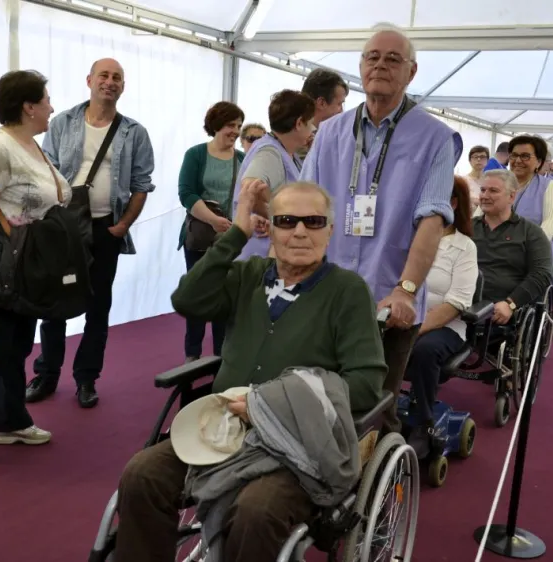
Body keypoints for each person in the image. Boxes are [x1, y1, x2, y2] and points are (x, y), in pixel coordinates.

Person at [113, 181, 387, 561]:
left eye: (313, 221)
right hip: (220, 426)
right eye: (286, 221)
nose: (300, 231)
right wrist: (237, 232)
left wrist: (271, 404)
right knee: (142, 475)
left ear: (329, 230)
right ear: (270, 229)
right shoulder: (248, 276)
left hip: (294, 445)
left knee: (256, 512)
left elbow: (366, 384)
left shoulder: (348, 291)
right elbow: (187, 300)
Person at [300, 23, 462, 434]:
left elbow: (432, 219)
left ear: (411, 71)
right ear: (360, 67)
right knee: (310, 399)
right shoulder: (330, 133)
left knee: (374, 410)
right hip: (326, 295)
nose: (380, 66)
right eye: (372, 57)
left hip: (389, 304)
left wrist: (405, 289)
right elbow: (306, 207)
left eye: (393, 59)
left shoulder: (436, 138)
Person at [27, 58, 156, 408]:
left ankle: (86, 379)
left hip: (105, 229)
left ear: (123, 86)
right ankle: (47, 373)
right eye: (104, 75)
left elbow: (142, 183)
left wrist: (123, 225)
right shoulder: (63, 122)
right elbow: (45, 170)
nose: (110, 82)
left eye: (117, 77)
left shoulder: (134, 132)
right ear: (89, 80)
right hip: (64, 228)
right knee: (54, 301)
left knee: (98, 307)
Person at [0, 70, 65, 464]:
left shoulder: (31, 146)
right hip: (3, 263)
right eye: (46, 100)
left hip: (28, 266)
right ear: (28, 106)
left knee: (17, 348)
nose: (52, 107)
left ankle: (10, 421)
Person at [404, 176, 477, 459]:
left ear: (453, 204)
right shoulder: (408, 238)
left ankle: (424, 424)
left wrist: (416, 329)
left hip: (445, 326)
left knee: (424, 350)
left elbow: (456, 303)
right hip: (403, 317)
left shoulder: (464, 247)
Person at [177, 101, 245, 362]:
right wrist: (214, 220)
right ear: (216, 125)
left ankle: (221, 356)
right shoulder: (196, 154)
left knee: (225, 297)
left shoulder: (242, 159)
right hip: (200, 237)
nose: (235, 131)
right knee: (198, 294)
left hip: (231, 239)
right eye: (230, 125)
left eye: (238, 126)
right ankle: (192, 355)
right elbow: (186, 193)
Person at [232, 89, 315, 259]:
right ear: (299, 123)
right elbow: (249, 189)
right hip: (261, 257)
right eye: (310, 123)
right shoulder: (269, 152)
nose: (313, 129)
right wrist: (279, 217)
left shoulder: (286, 152)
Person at [473, 170, 553, 325]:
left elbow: (541, 274)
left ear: (511, 196)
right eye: (483, 190)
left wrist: (511, 303)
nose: (485, 196)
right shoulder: (466, 228)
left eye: (493, 191)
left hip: (502, 307)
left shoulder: (531, 233)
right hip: (460, 303)